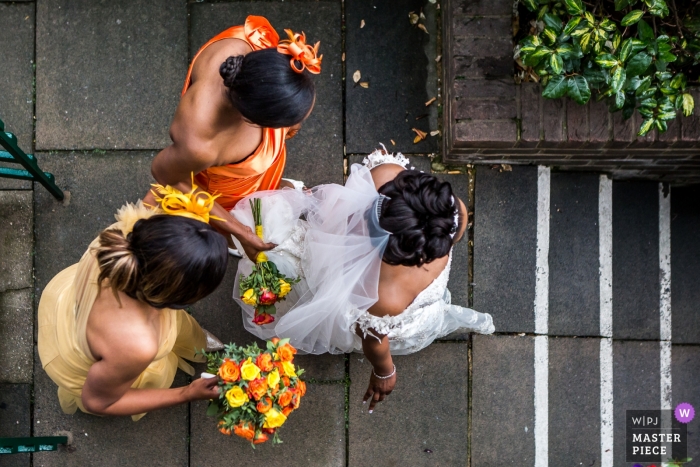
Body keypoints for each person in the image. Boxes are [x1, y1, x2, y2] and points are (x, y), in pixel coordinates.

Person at [230, 148, 495, 414]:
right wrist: (384, 371)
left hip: (334, 247)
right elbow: (373, 339)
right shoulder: (385, 296)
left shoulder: (387, 174)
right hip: (349, 274)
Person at [38, 185, 229, 420]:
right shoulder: (136, 345)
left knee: (183, 330)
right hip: (111, 351)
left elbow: (166, 181)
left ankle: (193, 343)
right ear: (179, 295)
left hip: (69, 303)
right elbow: (98, 401)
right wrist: (186, 393)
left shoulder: (128, 234)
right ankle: (194, 347)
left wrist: (243, 234)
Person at [145, 15, 321, 260]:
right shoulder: (200, 145)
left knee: (264, 179)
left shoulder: (249, 46)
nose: (293, 129)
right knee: (236, 204)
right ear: (254, 121)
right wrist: (239, 229)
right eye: (287, 125)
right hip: (225, 185)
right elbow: (166, 175)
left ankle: (270, 187)